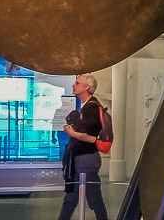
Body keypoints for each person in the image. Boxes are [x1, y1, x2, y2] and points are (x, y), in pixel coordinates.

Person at [57, 74, 108, 220]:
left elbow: (91, 137)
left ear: (86, 87)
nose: (74, 85)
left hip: (85, 160)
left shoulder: (91, 108)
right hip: (81, 160)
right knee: (72, 199)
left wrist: (71, 132)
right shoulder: (87, 107)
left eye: (77, 83)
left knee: (93, 199)